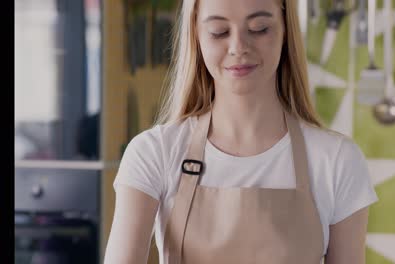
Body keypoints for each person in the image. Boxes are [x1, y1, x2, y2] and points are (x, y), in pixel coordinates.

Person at [104, 0, 378, 263]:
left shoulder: (337, 160)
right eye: (219, 32)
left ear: (285, 32)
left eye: (259, 28)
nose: (238, 47)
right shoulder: (155, 152)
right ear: (196, 37)